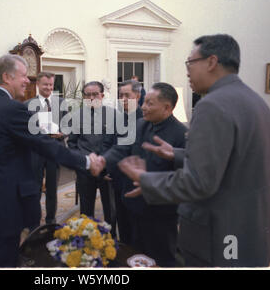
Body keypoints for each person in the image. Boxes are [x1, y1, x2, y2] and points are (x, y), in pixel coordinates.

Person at [119, 34, 270, 267]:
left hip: (219, 236)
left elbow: (198, 183)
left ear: (211, 62)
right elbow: (235, 161)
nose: (187, 72)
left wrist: (146, 180)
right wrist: (178, 154)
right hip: (250, 232)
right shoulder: (256, 101)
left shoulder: (212, 105)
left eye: (190, 63)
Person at [0, 54, 102, 267]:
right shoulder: (12, 108)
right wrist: (86, 161)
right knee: (5, 262)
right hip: (3, 206)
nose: (27, 81)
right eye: (23, 75)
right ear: (6, 77)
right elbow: (43, 143)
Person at [100, 83, 187, 267]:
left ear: (167, 107)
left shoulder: (182, 134)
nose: (143, 107)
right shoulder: (139, 125)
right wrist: (102, 161)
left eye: (149, 103)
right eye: (144, 102)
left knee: (161, 258)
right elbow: (120, 149)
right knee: (131, 252)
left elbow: (186, 175)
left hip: (160, 212)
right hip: (131, 204)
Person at [67, 81, 116, 226]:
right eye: (87, 95)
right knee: (86, 209)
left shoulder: (114, 115)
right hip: (85, 169)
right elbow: (72, 143)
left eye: (95, 94)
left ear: (102, 95)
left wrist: (108, 163)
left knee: (110, 209)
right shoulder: (76, 116)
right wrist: (81, 162)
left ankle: (111, 238)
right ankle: (87, 240)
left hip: (107, 170)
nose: (91, 97)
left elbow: (117, 144)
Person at [25, 72, 65, 226]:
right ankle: (34, 221)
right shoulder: (27, 104)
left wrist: (62, 134)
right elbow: (24, 129)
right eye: (45, 84)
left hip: (54, 151)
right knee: (34, 188)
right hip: (35, 152)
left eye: (51, 85)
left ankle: (50, 220)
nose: (48, 87)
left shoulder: (61, 103)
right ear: (38, 85)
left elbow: (68, 125)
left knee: (52, 188)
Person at [110, 80, 143, 244]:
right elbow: (108, 144)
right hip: (117, 178)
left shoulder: (145, 119)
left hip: (138, 182)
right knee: (121, 219)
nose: (122, 99)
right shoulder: (115, 119)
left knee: (137, 224)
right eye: (120, 95)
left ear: (137, 96)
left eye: (126, 95)